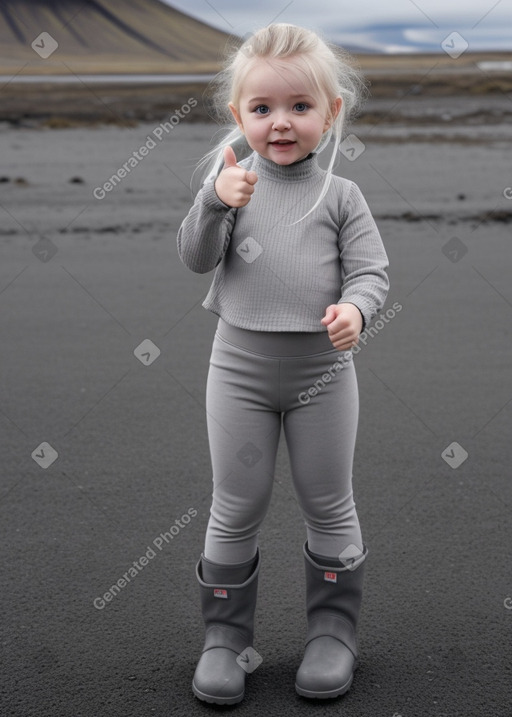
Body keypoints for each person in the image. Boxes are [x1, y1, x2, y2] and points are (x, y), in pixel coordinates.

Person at [177, 23, 389, 705]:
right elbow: (196, 257)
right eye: (263, 108)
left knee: (329, 501)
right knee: (236, 503)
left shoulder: (341, 197)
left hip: (323, 375)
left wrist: (356, 310)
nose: (281, 123)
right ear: (239, 115)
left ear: (332, 113)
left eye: (301, 107)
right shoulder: (233, 186)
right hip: (237, 369)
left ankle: (333, 634)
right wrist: (214, 201)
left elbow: (372, 274)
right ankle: (223, 639)